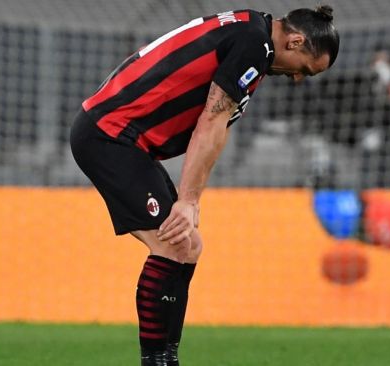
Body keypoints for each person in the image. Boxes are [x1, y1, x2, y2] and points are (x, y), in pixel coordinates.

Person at [70, 5, 340, 365]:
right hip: (111, 135)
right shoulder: (253, 44)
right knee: (173, 246)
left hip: (125, 138)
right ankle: (157, 361)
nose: (297, 79)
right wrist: (188, 200)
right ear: (295, 40)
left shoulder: (252, 31)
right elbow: (211, 121)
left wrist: (189, 198)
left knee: (187, 244)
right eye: (305, 69)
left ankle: (166, 357)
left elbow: (214, 125)